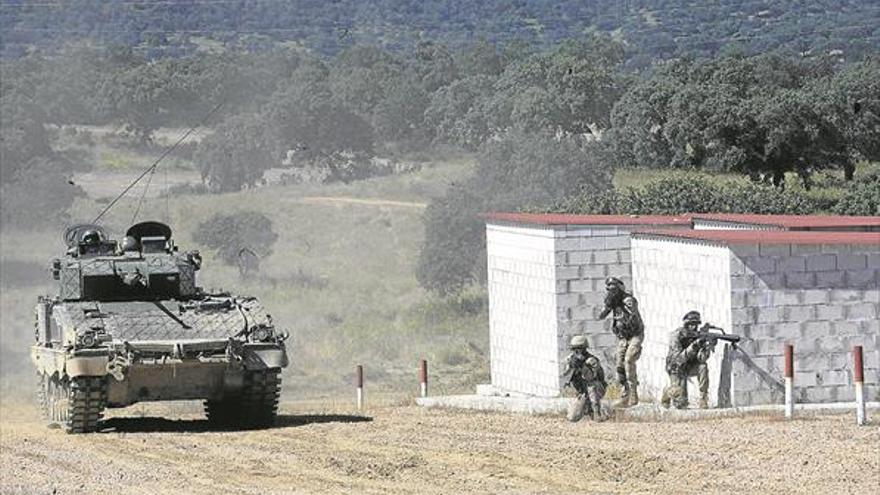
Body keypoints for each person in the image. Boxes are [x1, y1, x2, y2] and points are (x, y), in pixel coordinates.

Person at [597, 277, 643, 407]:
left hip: (635, 335)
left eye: (615, 289)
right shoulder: (613, 301)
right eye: (610, 290)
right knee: (619, 365)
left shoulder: (628, 300)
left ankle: (633, 394)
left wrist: (623, 311)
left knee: (629, 360)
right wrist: (607, 305)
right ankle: (625, 394)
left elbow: (633, 318)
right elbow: (601, 316)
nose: (613, 292)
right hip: (623, 337)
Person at [661, 311, 714, 409]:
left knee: (703, 367)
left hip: (689, 366)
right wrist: (694, 346)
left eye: (695, 325)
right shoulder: (676, 336)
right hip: (676, 369)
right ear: (686, 324)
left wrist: (707, 347)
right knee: (681, 404)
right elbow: (679, 359)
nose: (693, 327)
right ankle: (667, 393)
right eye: (691, 325)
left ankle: (703, 399)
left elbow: (701, 359)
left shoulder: (697, 336)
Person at [562, 335, 607, 422]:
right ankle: (588, 408)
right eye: (574, 349)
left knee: (591, 386)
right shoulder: (571, 359)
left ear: (584, 348)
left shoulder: (592, 360)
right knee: (572, 417)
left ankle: (597, 412)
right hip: (582, 393)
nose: (577, 351)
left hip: (597, 389)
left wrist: (584, 366)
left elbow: (592, 377)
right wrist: (571, 366)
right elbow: (565, 375)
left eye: (579, 348)